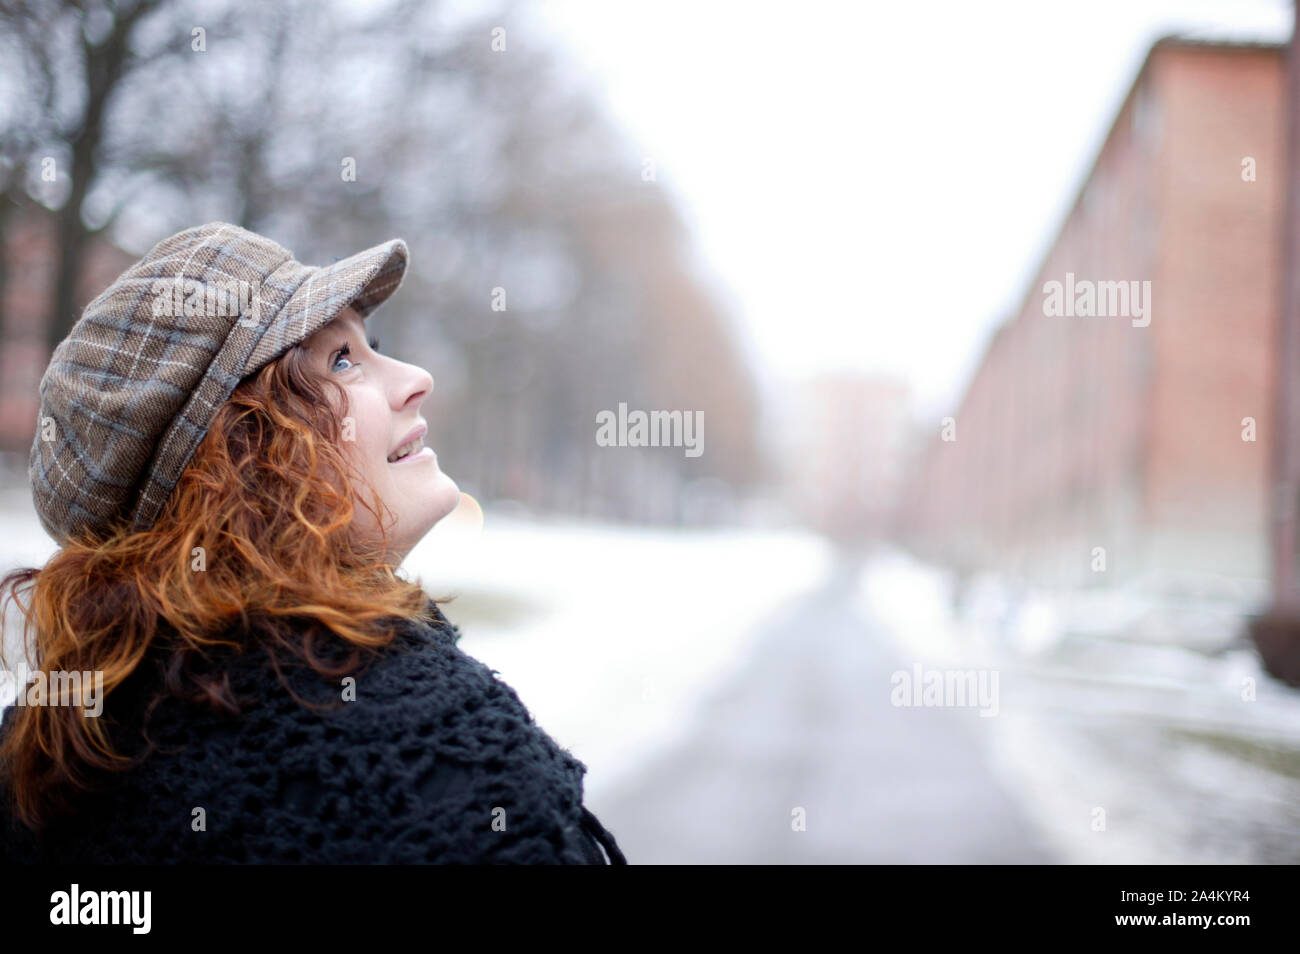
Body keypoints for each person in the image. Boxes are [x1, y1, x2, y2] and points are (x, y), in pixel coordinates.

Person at [0, 222, 626, 864]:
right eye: (341, 361)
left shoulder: (42, 752)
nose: (417, 378)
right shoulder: (441, 759)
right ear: (242, 463)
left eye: (368, 345)